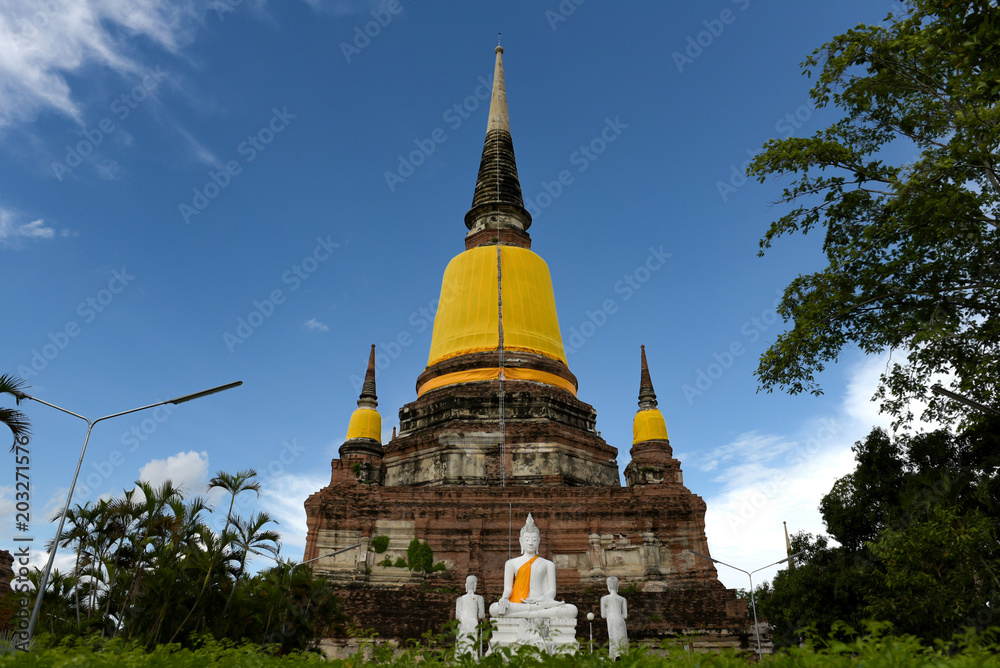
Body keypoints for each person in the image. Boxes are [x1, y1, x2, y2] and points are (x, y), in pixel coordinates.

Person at [488, 514, 577, 619]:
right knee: (494, 608)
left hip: (541, 604)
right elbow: (508, 588)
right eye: (527, 539)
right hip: (518, 604)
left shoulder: (548, 564)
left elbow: (552, 591)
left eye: (534, 540)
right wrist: (504, 598)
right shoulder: (511, 563)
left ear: (538, 541)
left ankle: (529, 613)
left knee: (570, 610)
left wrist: (541, 600)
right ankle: (534, 614)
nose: (530, 543)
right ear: (521, 541)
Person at [455, 575, 485, 657]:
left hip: (462, 622)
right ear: (475, 585)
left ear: (466, 585)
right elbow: (481, 615)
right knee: (471, 643)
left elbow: (457, 616)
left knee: (462, 643)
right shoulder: (479, 598)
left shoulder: (460, 599)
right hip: (472, 622)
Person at [600, 576, 628, 659]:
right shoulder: (622, 599)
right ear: (617, 585)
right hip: (620, 620)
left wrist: (610, 612)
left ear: (608, 586)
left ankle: (614, 656)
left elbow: (603, 615)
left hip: (611, 619)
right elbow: (625, 616)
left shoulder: (604, 598)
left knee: (613, 638)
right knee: (622, 638)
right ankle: (622, 656)